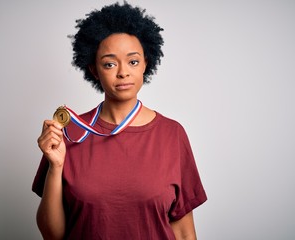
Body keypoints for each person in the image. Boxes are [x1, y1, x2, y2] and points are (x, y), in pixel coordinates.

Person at [32, 2, 207, 240]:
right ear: (94, 70)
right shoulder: (69, 132)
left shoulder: (172, 134)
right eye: (110, 63)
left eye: (133, 61)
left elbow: (185, 233)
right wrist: (56, 166)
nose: (123, 72)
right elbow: (53, 235)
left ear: (146, 63)